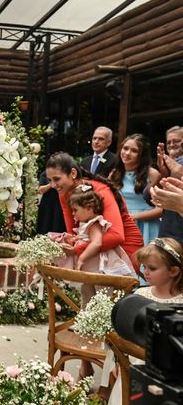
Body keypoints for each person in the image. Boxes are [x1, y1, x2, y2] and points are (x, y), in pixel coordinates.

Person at [106, 237, 183, 405]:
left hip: (172, 371)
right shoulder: (139, 297)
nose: (145, 272)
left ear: (174, 271)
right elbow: (122, 334)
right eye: (144, 267)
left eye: (152, 268)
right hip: (135, 365)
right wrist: (118, 361)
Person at [46, 152, 144, 273]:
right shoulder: (63, 193)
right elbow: (74, 233)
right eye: (49, 180)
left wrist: (78, 250)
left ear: (73, 173)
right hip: (94, 248)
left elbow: (116, 236)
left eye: (56, 179)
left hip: (124, 249)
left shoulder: (102, 191)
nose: (53, 185)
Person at [53, 185, 134, 278]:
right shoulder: (86, 224)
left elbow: (96, 243)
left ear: (89, 208)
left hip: (97, 263)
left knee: (98, 285)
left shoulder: (93, 224)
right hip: (90, 263)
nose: (73, 213)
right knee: (86, 286)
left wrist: (82, 259)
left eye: (75, 210)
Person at [110, 134, 162, 245]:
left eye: (134, 151)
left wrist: (134, 217)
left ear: (141, 155)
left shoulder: (152, 174)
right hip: (122, 224)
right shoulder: (115, 173)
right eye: (125, 148)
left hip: (146, 226)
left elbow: (161, 210)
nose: (127, 153)